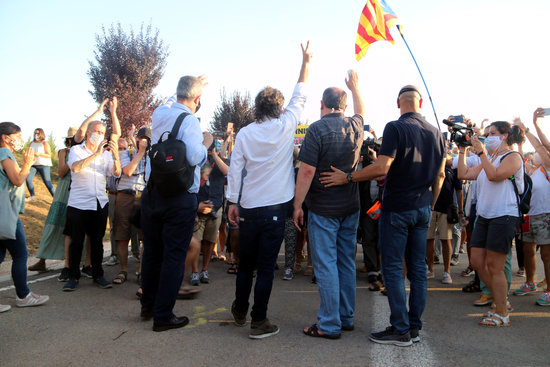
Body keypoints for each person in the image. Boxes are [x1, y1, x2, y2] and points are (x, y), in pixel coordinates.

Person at [320, 85, 446, 346]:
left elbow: (381, 167)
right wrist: (429, 203)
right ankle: (414, 327)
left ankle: (400, 328)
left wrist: (348, 176)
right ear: (420, 104)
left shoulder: (395, 127)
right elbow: (441, 175)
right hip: (423, 208)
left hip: (398, 208)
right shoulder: (436, 133)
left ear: (398, 103)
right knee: (418, 270)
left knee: (392, 268)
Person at [227, 42, 311, 339]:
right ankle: (258, 320)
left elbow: (235, 171)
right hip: (276, 208)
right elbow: (300, 94)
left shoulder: (245, 133)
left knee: (246, 264)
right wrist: (306, 63)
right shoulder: (286, 124)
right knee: (265, 269)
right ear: (279, 107)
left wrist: (231, 203)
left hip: (249, 206)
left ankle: (239, 308)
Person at [293, 70, 365, 339]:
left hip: (324, 208)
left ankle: (329, 324)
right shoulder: (356, 126)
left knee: (325, 265)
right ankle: (345, 317)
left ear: (321, 105)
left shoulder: (317, 129)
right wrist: (355, 88)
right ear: (344, 106)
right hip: (350, 207)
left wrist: (297, 204)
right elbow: (361, 111)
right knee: (345, 262)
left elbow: (307, 171)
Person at [140, 75, 212, 332]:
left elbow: (174, 101)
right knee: (173, 256)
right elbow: (194, 156)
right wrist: (206, 144)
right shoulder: (191, 121)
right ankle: (163, 315)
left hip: (153, 192)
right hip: (179, 196)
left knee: (152, 253)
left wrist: (191, 86)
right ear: (197, 99)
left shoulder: (160, 113)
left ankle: (147, 306)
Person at [458, 121, 525, 326]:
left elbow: (495, 176)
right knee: (478, 262)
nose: (488, 137)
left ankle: (502, 312)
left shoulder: (512, 157)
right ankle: (501, 300)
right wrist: (462, 151)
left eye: (492, 133)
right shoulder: (491, 158)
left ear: (504, 136)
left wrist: (481, 154)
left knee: (495, 266)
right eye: (487, 134)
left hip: (504, 216)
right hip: (484, 217)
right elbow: (464, 174)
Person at [63, 100, 122, 292]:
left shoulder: (105, 153)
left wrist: (115, 157)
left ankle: (98, 274)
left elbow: (116, 173)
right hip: (79, 204)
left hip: (99, 203)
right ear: (88, 132)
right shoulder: (76, 150)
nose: (99, 135)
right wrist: (96, 154)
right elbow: (76, 168)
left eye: (102, 133)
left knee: (97, 242)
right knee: (76, 242)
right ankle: (73, 276)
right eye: (96, 131)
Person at [0, 122, 49, 312]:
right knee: (21, 254)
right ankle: (24, 296)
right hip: (6, 214)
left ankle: (25, 294)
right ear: (5, 137)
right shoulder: (4, 153)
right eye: (18, 136)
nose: (21, 140)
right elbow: (18, 180)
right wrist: (28, 163)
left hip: (4, 212)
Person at [512, 112, 550, 306]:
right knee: (528, 249)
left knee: (546, 254)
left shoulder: (549, 166)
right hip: (531, 214)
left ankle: (549, 291)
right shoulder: (535, 171)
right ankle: (530, 283)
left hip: (546, 215)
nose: (535, 153)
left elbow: (539, 145)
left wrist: (529, 126)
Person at [112, 128, 150, 285]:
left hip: (143, 196)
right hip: (125, 196)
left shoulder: (153, 157)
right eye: (141, 138)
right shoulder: (125, 154)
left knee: (145, 237)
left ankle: (142, 271)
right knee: (122, 235)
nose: (143, 142)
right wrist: (139, 153)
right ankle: (122, 270)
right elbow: (127, 171)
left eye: (146, 140)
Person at [426, 151, 463, 284]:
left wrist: (461, 210)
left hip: (446, 208)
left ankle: (447, 272)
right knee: (428, 239)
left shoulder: (453, 168)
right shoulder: (429, 164)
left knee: (446, 239)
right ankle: (430, 269)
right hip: (429, 207)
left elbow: (459, 191)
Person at [25, 127, 55, 200]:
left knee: (47, 183)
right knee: (28, 179)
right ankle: (33, 197)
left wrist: (39, 154)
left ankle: (56, 199)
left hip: (43, 165)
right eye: (35, 133)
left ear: (41, 134)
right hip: (33, 164)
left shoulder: (44, 143)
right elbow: (28, 152)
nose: (36, 134)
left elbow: (49, 155)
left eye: (38, 133)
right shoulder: (31, 143)